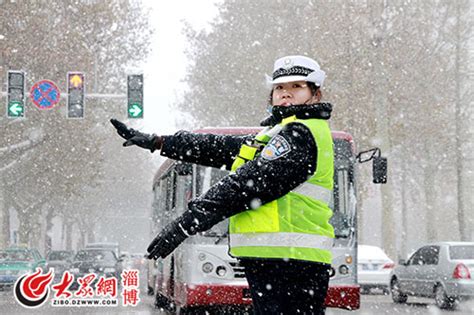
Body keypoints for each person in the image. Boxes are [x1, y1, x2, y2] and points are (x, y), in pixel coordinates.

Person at [111, 55, 335, 315]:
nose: (286, 94)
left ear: (315, 94)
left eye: (296, 87)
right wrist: (158, 142)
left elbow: (246, 185)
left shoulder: (300, 134)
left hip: (292, 261)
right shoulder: (279, 133)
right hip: (280, 259)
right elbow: (219, 148)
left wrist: (185, 224)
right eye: (279, 88)